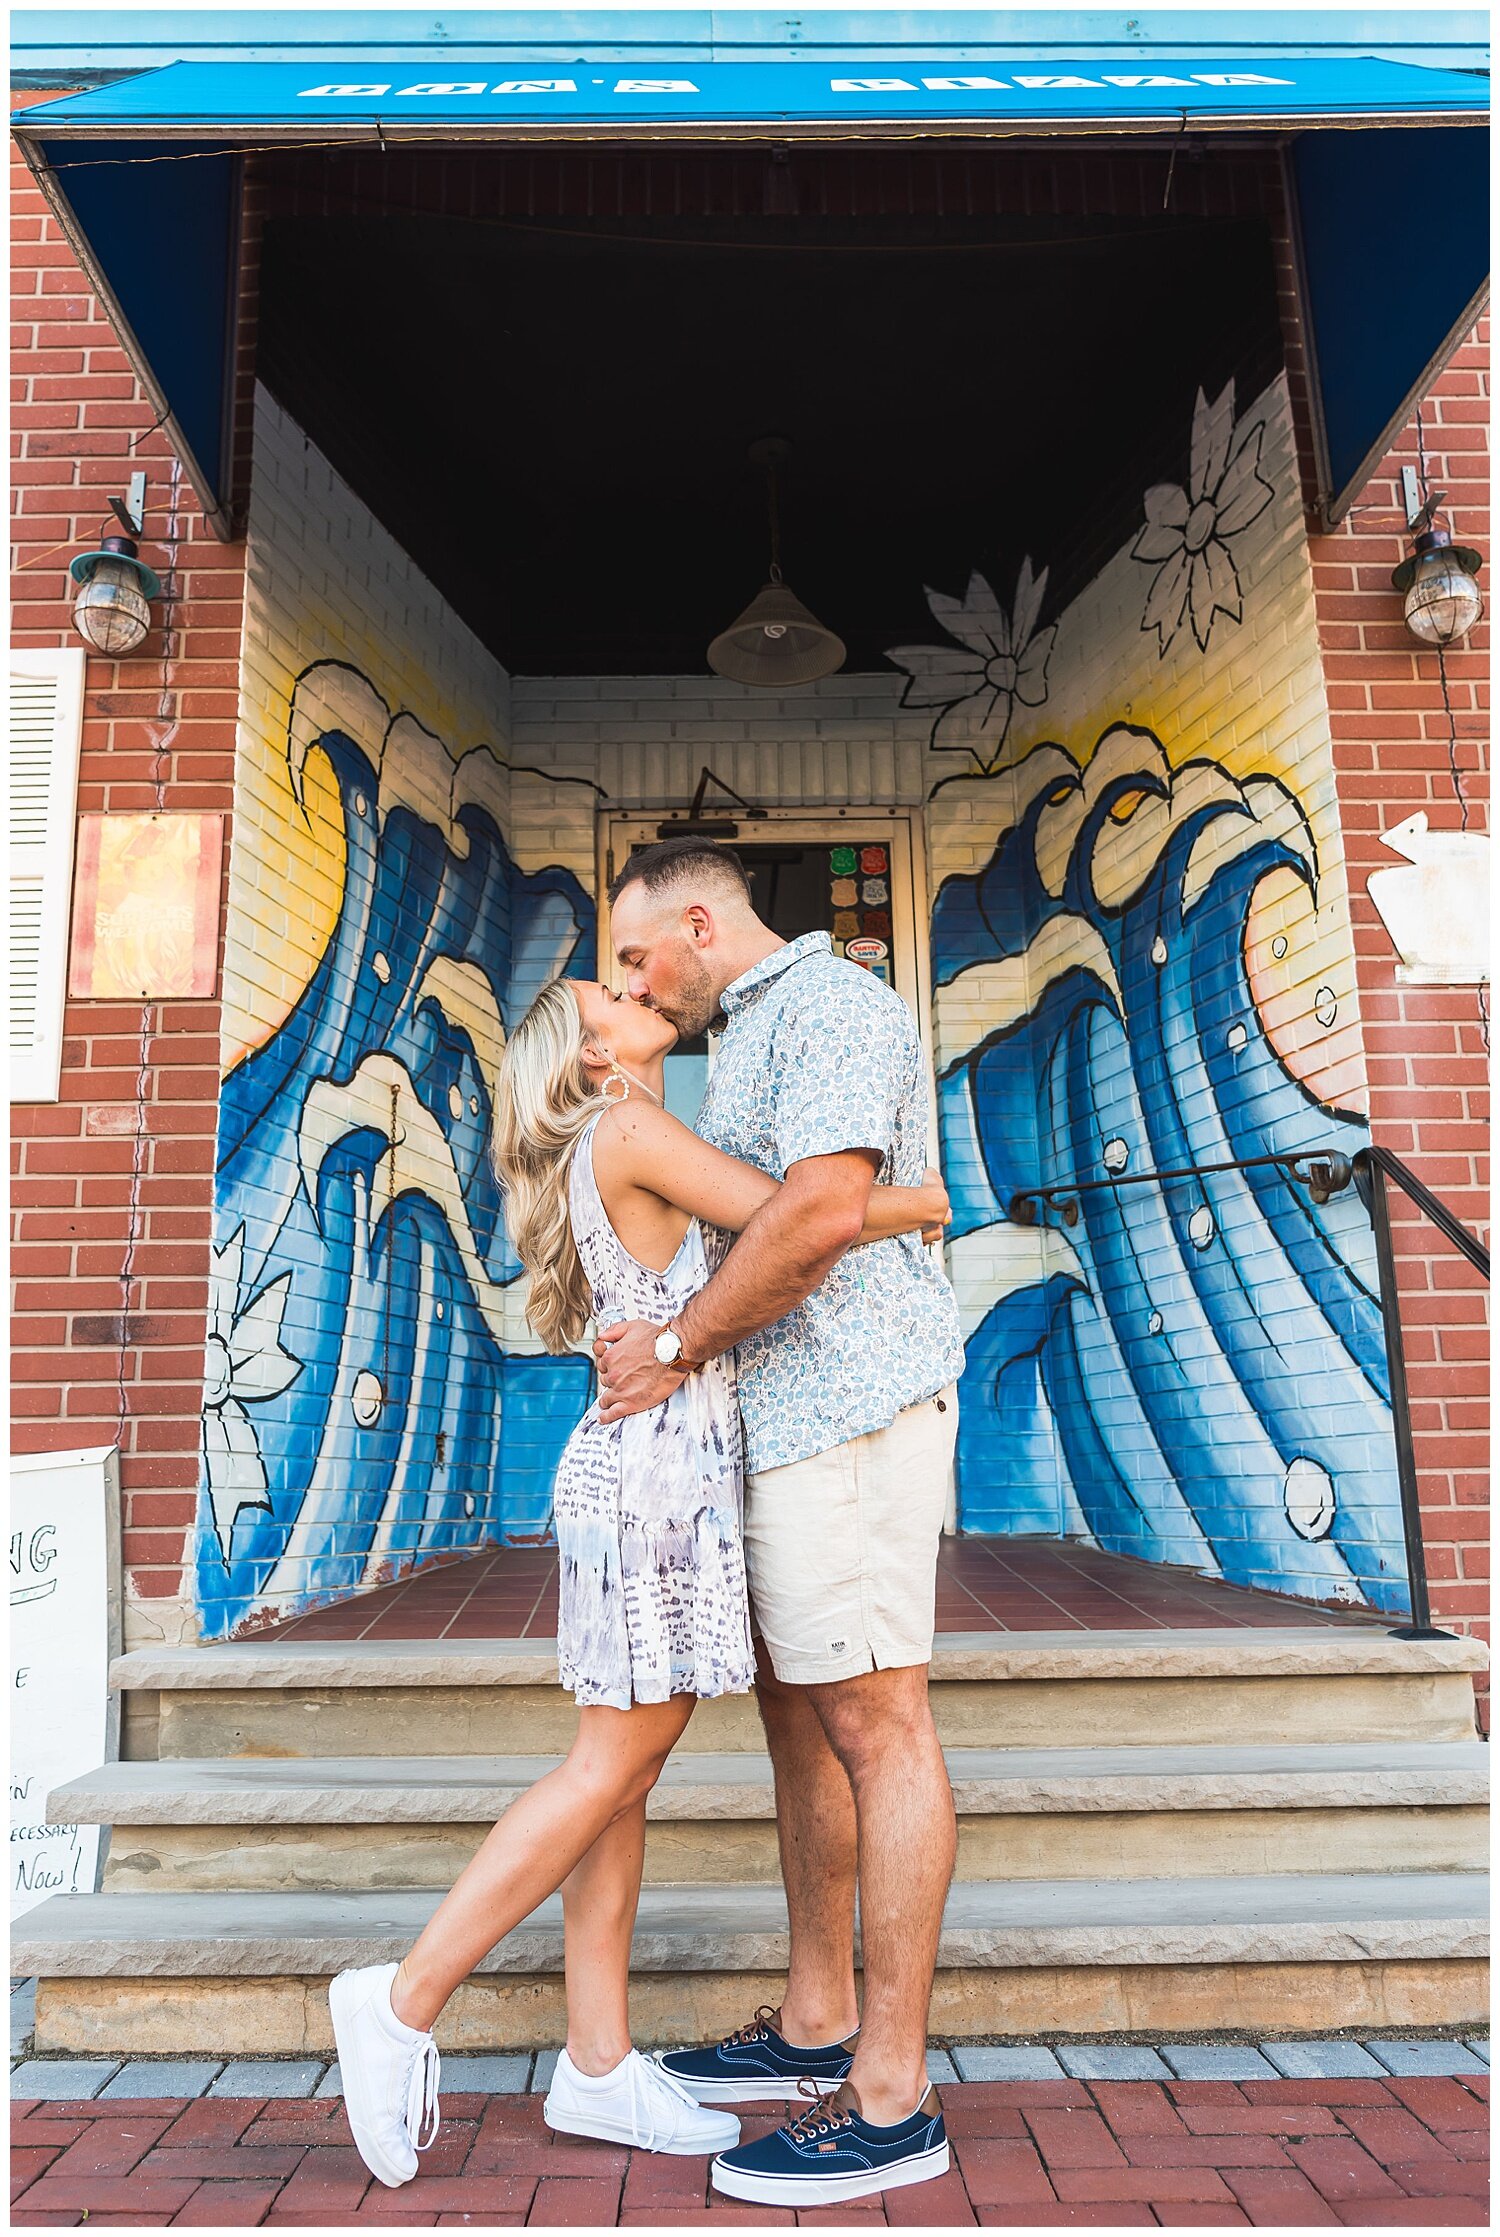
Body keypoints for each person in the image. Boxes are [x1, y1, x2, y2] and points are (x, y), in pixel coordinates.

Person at [329, 968, 950, 2190]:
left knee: (624, 1770)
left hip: (635, 1471)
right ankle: (401, 2000)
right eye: (606, 994)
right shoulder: (631, 1125)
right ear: (594, 1053)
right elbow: (791, 1214)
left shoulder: (601, 1143)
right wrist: (918, 1198)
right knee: (609, 1763)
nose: (632, 986)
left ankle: (599, 2060)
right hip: (660, 1478)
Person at [595, 836, 967, 2210]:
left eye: (640, 954)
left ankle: (891, 2096)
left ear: (700, 920)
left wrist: (681, 1343)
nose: (635, 978)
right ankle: (817, 2020)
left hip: (855, 1409)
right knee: (802, 1718)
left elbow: (811, 1217)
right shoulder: (746, 1029)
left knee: (878, 1721)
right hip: (783, 1419)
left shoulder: (833, 1007)